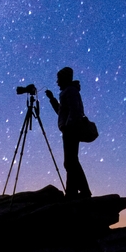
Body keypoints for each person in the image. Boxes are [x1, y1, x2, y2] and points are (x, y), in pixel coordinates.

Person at [44, 67, 92, 199]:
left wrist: (68, 126)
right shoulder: (68, 91)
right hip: (70, 129)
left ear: (65, 78)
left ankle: (83, 191)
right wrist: (52, 98)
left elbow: (75, 110)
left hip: (71, 130)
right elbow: (62, 112)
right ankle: (72, 192)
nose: (57, 82)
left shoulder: (70, 91)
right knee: (70, 161)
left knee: (70, 162)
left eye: (59, 79)